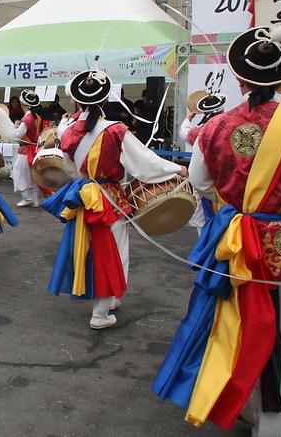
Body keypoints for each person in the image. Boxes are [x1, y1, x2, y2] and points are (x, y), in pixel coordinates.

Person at [152, 25, 281, 436]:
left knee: (232, 326)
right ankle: (272, 423)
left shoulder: (214, 128)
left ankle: (236, 401)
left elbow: (199, 182)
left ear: (240, 78)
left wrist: (240, 198)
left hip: (233, 244)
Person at [43, 70, 186, 330]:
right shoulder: (115, 130)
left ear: (77, 101)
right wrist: (176, 169)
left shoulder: (68, 130)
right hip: (109, 198)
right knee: (112, 252)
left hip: (83, 196)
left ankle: (104, 299)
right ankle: (102, 310)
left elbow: (68, 169)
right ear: (106, 99)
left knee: (88, 249)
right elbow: (145, 163)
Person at [179, 92, 227, 234]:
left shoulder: (202, 131)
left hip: (208, 186)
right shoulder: (233, 126)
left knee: (204, 222)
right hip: (228, 186)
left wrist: (188, 118)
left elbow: (184, 133)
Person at [10, 89, 47, 207]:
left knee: (20, 173)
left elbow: (18, 135)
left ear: (23, 104)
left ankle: (27, 197)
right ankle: (34, 199)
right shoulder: (36, 116)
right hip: (34, 148)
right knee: (32, 175)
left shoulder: (27, 119)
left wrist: (13, 128)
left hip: (25, 150)